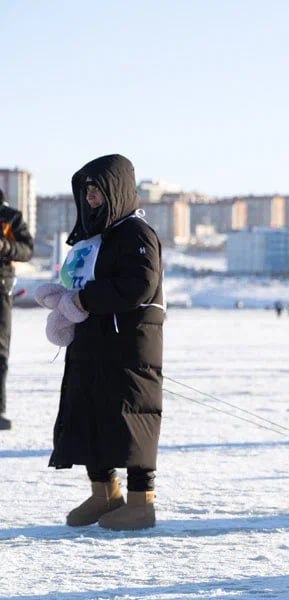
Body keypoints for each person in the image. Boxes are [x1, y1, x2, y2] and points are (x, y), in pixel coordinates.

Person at [34, 154, 165, 531]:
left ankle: (142, 502)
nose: (91, 197)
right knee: (90, 412)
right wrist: (63, 296)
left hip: (129, 344)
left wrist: (84, 300)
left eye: (98, 189)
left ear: (117, 190)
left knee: (132, 418)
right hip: (93, 340)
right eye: (87, 190)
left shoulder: (136, 234)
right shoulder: (95, 238)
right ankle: (105, 493)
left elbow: (139, 284)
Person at [0, 188, 34, 431]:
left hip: (1, 289)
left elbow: (27, 249)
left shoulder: (10, 216)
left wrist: (5, 246)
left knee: (0, 351)